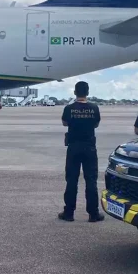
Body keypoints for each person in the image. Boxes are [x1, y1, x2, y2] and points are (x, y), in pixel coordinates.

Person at [58, 81, 104, 223]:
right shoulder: (94, 108)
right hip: (89, 147)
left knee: (72, 180)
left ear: (75, 92)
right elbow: (96, 124)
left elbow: (65, 123)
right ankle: (93, 213)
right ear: (87, 92)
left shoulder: (69, 108)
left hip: (73, 147)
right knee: (91, 180)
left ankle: (69, 213)